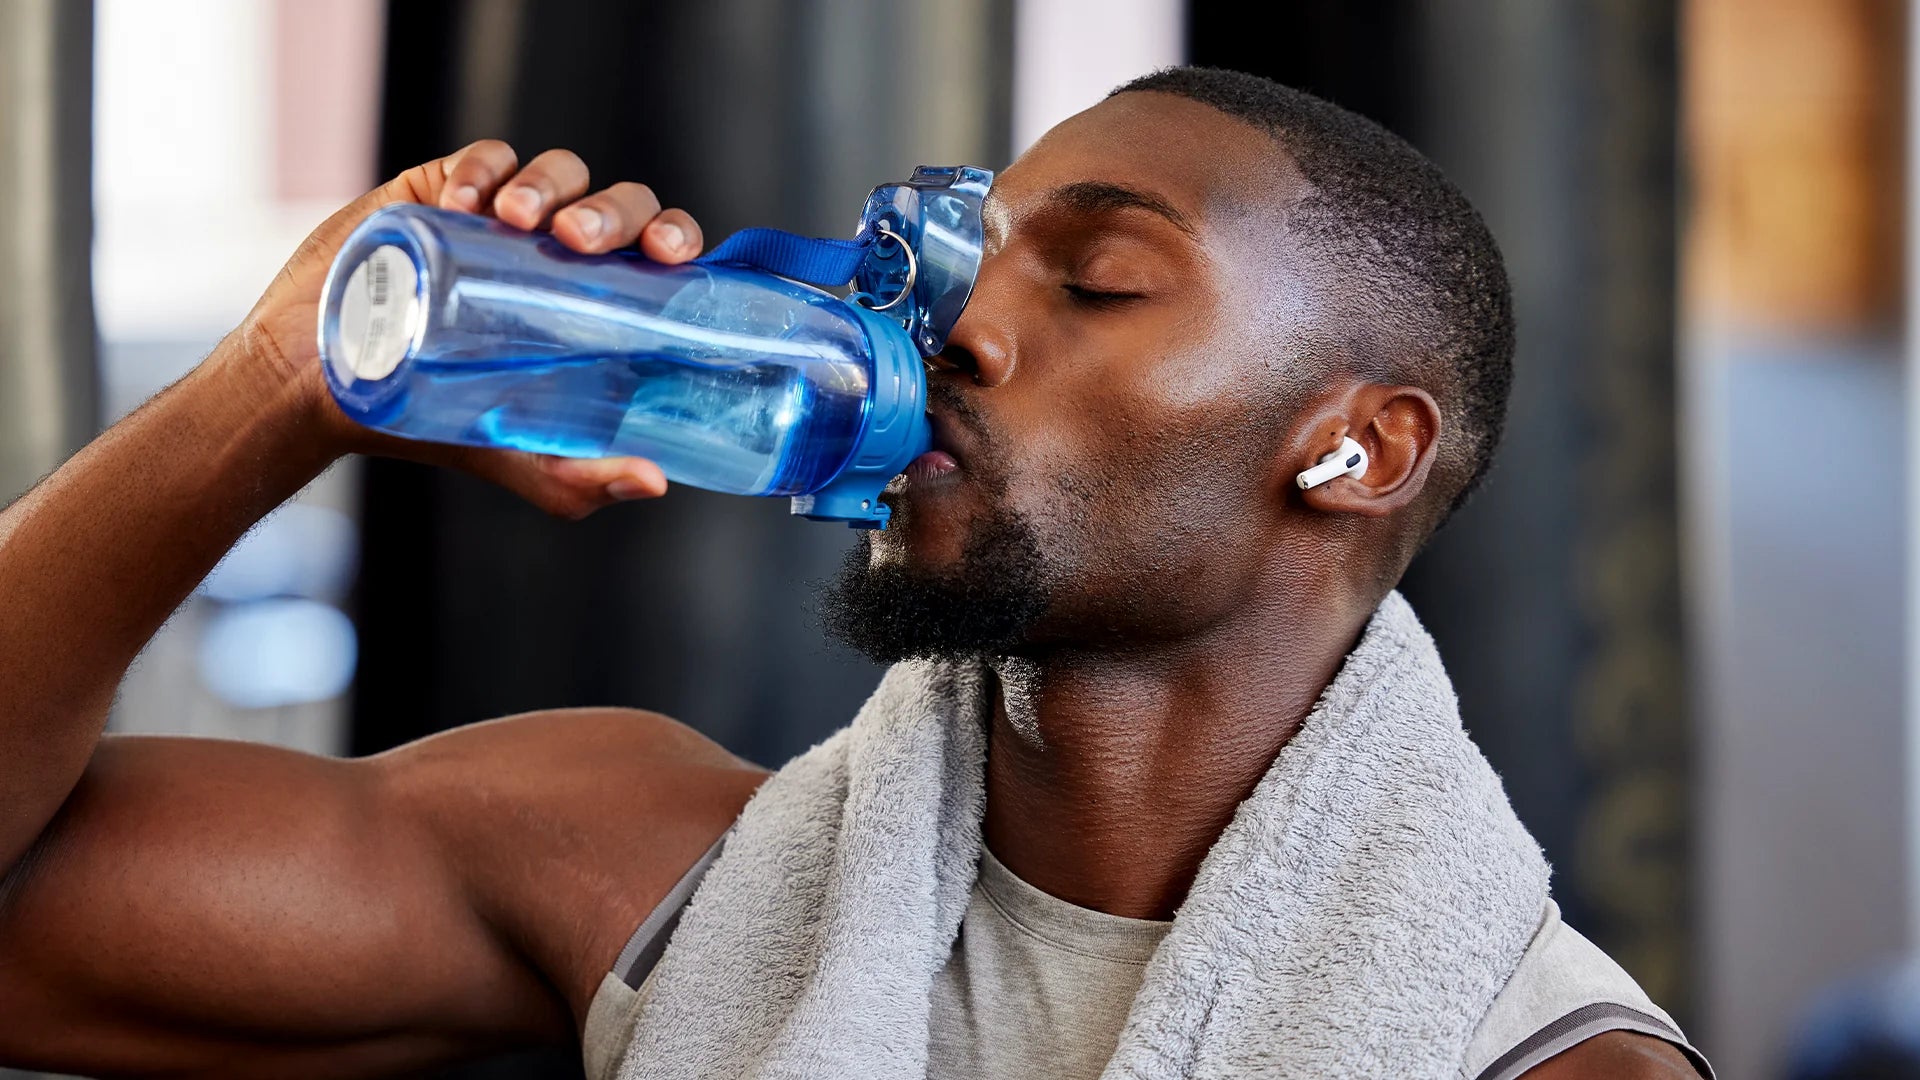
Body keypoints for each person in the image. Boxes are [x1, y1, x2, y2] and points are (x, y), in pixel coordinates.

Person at [0, 68, 1709, 1079]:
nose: (958, 321)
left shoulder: (1546, 1069)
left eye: (1100, 282)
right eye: (979, 258)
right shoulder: (640, 871)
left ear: (1354, 453)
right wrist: (274, 386)